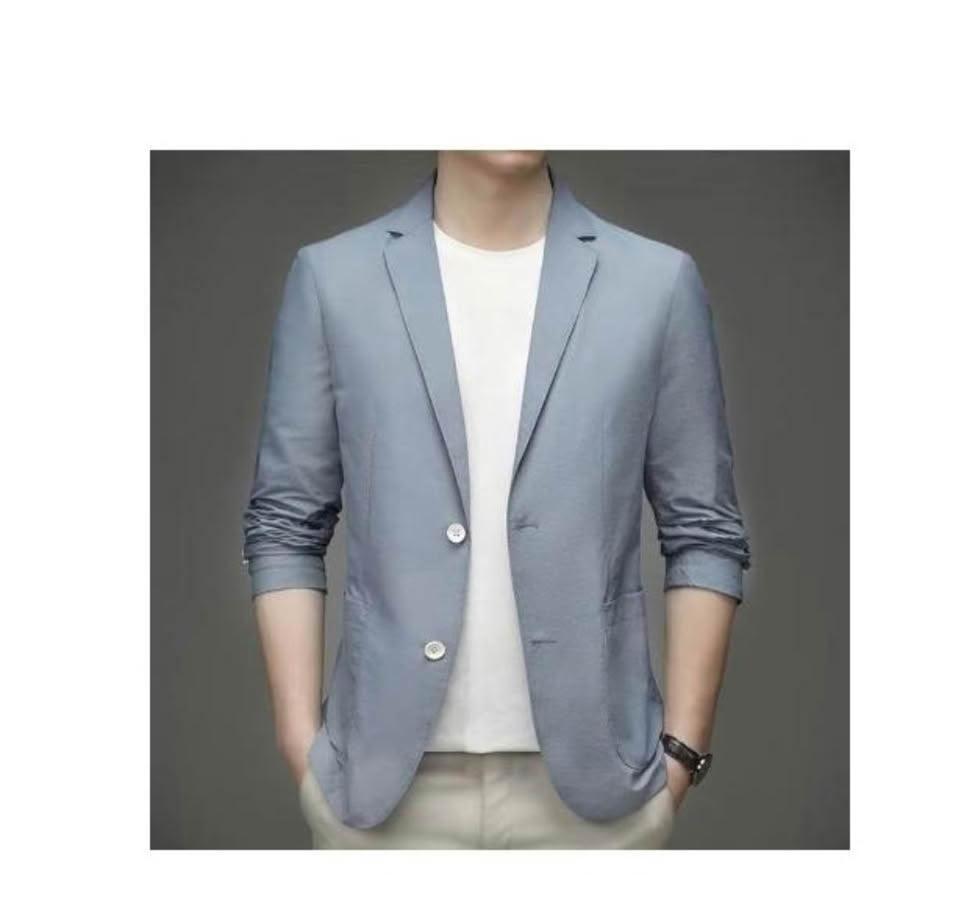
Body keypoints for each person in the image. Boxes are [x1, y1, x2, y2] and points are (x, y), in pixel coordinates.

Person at [241, 151, 751, 849]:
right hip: (378, 793)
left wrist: (682, 754)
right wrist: (301, 745)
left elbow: (704, 530)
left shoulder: (654, 284)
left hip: (602, 797)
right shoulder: (335, 280)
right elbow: (285, 525)